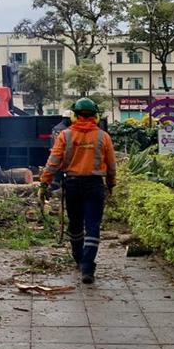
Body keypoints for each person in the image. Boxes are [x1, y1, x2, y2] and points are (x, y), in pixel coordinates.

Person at [39, 97, 117, 285]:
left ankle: (79, 259)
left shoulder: (65, 136)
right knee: (92, 226)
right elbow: (112, 165)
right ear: (96, 116)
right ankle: (87, 267)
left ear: (74, 115)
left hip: (72, 185)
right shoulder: (103, 136)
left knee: (75, 225)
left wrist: (44, 184)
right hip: (94, 185)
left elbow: (53, 163)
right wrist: (111, 184)